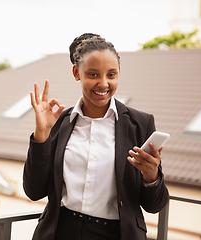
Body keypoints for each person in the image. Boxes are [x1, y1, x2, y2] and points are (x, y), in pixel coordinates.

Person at [23, 33, 169, 240]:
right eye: (93, 75)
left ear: (119, 73)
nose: (103, 84)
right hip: (61, 231)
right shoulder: (59, 121)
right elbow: (33, 191)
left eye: (111, 75)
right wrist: (41, 134)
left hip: (115, 234)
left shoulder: (140, 124)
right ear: (77, 72)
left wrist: (151, 175)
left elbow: (155, 205)